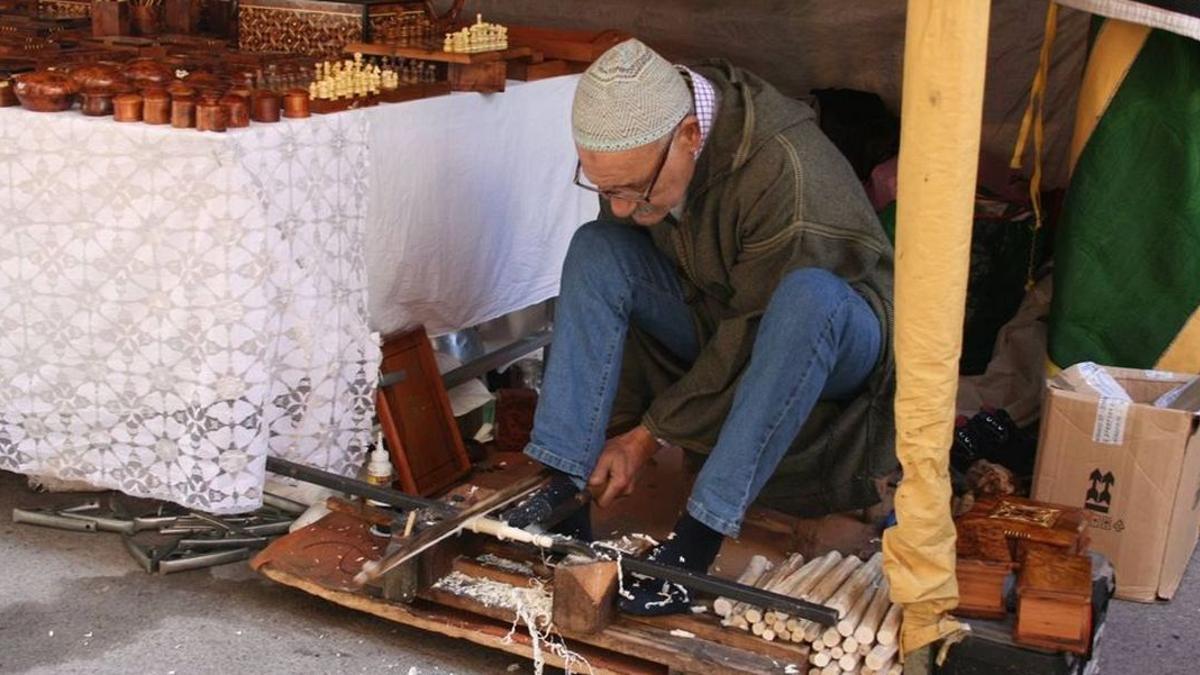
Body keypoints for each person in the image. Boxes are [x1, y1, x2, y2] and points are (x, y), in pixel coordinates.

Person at [501, 39, 896, 616]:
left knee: (805, 297)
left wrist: (646, 436)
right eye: (606, 188)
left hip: (835, 342)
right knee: (598, 246)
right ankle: (563, 488)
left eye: (633, 188)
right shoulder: (654, 134)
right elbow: (637, 299)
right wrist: (616, 429)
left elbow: (753, 339)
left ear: (689, 135)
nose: (620, 204)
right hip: (725, 312)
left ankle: (697, 540)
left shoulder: (783, 169)